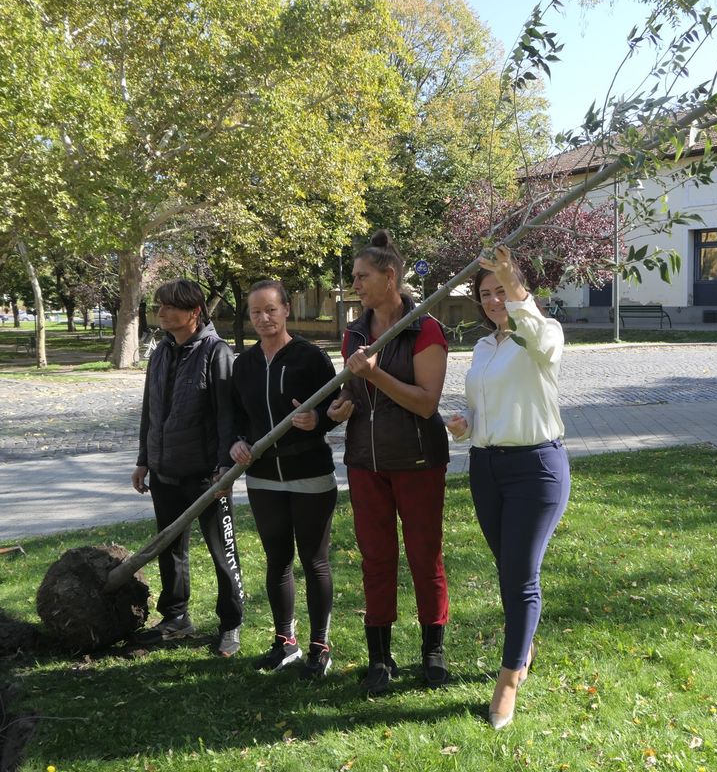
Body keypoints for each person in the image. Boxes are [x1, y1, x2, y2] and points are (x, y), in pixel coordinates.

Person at [446, 244, 569, 729]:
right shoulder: (483, 346)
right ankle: (526, 643)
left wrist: (512, 280)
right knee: (508, 570)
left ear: (520, 292)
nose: (494, 300)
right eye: (487, 293)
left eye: (503, 290)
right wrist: (468, 424)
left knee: (520, 576)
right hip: (486, 468)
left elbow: (537, 333)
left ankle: (509, 679)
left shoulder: (541, 334)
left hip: (536, 469)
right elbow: (490, 407)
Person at [326, 229, 451, 694]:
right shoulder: (355, 333)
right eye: (355, 277)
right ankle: (380, 657)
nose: (355, 285)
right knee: (376, 560)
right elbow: (354, 391)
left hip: (418, 461)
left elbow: (425, 403)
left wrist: (375, 375)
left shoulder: (425, 329)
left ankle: (432, 651)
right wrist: (343, 405)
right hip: (366, 463)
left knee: (424, 556)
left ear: (389, 276)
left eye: (362, 276)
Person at [229, 280, 340, 679]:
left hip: (309, 473)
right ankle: (285, 642)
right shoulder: (243, 364)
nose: (264, 318)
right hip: (262, 479)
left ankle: (319, 645)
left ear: (286, 310)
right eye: (256, 312)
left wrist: (318, 420)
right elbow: (235, 418)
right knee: (277, 560)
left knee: (314, 561)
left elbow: (337, 406)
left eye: (271, 310)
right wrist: (236, 443)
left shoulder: (310, 358)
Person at [131, 279, 244, 655]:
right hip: (165, 472)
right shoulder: (160, 353)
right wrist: (143, 461)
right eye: (158, 306)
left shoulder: (216, 352)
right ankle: (176, 617)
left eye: (168, 307)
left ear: (194, 312)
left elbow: (228, 416)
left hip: (207, 478)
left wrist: (224, 469)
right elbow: (151, 410)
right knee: (170, 549)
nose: (160, 313)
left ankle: (231, 624)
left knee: (222, 553)